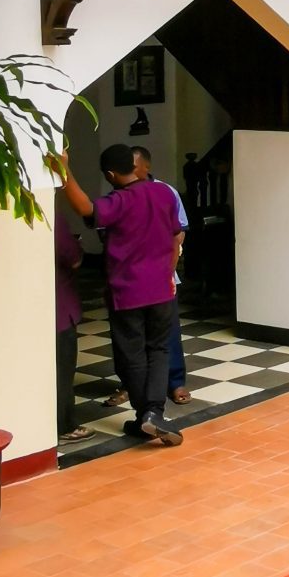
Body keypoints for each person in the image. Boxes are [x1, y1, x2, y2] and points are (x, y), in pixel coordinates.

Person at [53, 144, 186, 447]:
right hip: (162, 289)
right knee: (159, 350)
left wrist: (63, 169)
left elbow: (86, 208)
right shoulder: (164, 193)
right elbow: (175, 237)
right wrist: (168, 273)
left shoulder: (118, 201)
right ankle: (153, 413)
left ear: (111, 175)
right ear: (136, 166)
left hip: (127, 293)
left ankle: (145, 415)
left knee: (133, 355)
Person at [133, 146, 192, 405]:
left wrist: (168, 269)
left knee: (168, 333)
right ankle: (133, 385)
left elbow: (179, 234)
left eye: (133, 166)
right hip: (133, 278)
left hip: (163, 276)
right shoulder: (121, 194)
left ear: (146, 167)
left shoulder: (166, 192)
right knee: (134, 336)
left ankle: (175, 382)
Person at [54, 209, 94, 444]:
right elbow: (72, 256)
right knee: (62, 371)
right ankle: (64, 426)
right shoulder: (48, 215)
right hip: (59, 306)